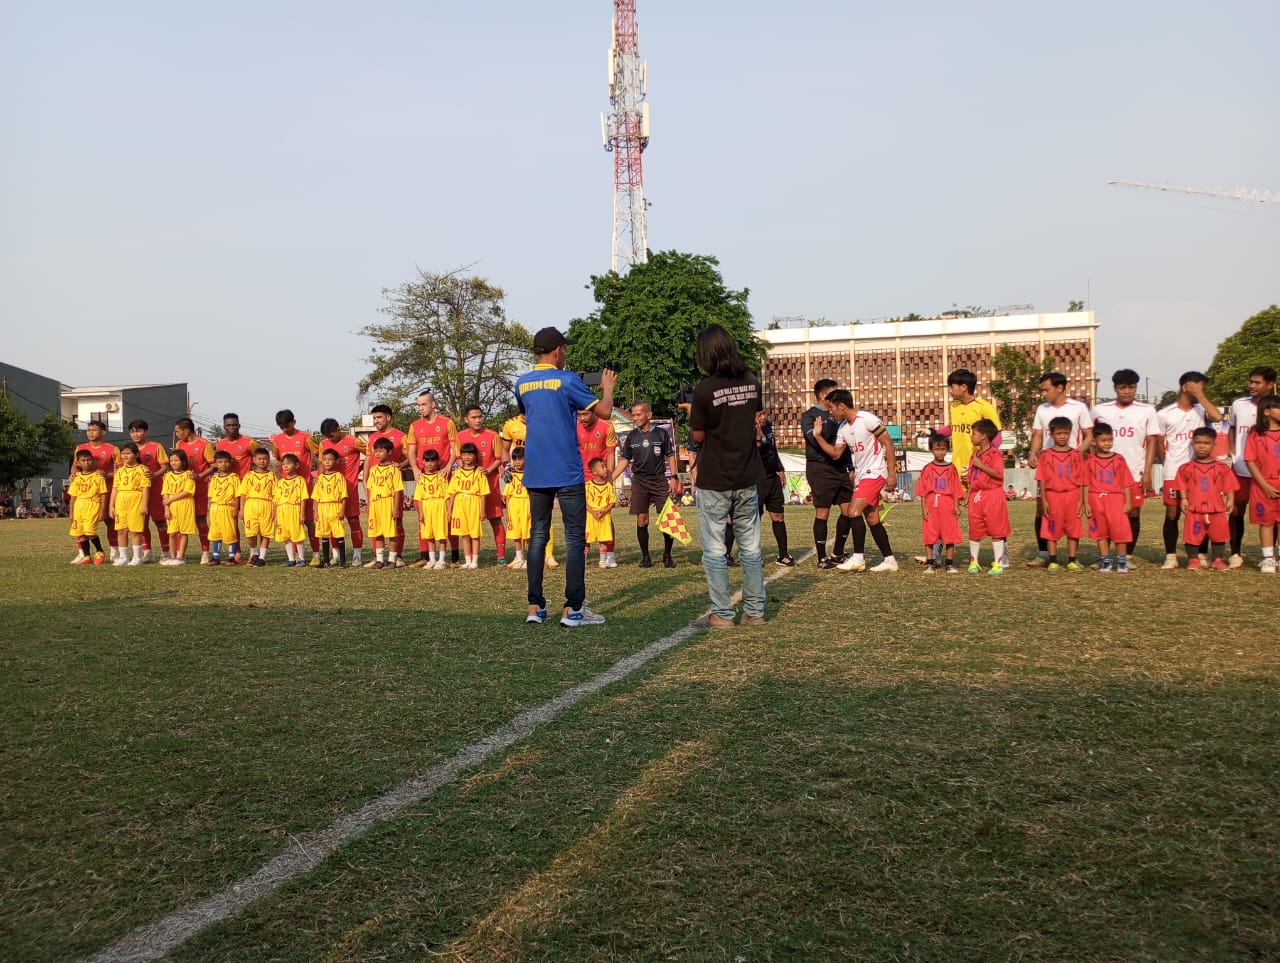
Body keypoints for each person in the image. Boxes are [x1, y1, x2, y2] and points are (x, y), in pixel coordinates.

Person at [514, 326, 616, 626]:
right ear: (558, 351)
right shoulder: (567, 379)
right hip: (567, 468)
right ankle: (573, 609)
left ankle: (535, 607)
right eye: (564, 350)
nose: (565, 354)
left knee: (537, 536)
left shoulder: (521, 384)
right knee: (574, 536)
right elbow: (606, 412)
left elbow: (527, 414)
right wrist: (607, 387)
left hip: (535, 469)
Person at [687, 324, 765, 627]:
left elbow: (699, 433)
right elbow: (751, 415)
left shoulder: (704, 389)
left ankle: (722, 614)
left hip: (715, 477)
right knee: (751, 549)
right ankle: (755, 612)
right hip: (747, 473)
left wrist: (693, 410)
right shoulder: (752, 381)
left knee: (716, 551)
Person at [812, 389, 899, 573]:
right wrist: (818, 437)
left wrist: (892, 473)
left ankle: (858, 558)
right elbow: (836, 453)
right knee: (872, 518)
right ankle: (889, 560)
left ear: (842, 406)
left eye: (832, 408)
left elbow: (888, 443)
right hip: (861, 475)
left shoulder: (867, 419)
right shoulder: (843, 428)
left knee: (853, 511)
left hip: (874, 473)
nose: (830, 412)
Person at [1091, 369, 1160, 564]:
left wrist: (1147, 472)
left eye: (1131, 387)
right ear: (1115, 388)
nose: (1127, 391)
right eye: (1122, 387)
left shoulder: (1147, 411)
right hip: (1105, 474)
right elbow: (1089, 437)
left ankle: (1126, 556)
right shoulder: (1100, 411)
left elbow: (1152, 441)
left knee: (1132, 512)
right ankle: (1104, 557)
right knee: (1105, 514)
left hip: (1134, 471)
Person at [1157, 371, 1224, 570]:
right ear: (1186, 386)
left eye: (1203, 387)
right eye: (1198, 386)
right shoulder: (1165, 413)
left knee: (1201, 512)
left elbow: (1217, 416)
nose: (1201, 389)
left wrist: (1201, 395)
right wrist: (1168, 462)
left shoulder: (1202, 410)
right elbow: (1159, 442)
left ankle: (1201, 553)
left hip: (1200, 471)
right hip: (1173, 471)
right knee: (1172, 512)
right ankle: (1170, 555)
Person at [1025, 373, 1093, 567]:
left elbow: (1088, 434)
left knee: (1072, 512)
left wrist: (1077, 454)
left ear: (1060, 388)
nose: (1044, 394)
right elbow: (1038, 434)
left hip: (1070, 469)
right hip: (1049, 465)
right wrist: (1033, 453)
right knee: (1042, 510)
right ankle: (1044, 554)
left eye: (1047, 389)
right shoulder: (1042, 409)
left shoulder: (1078, 407)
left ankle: (1072, 557)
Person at [614, 400, 681, 569]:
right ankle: (646, 557)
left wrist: (673, 477)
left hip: (659, 480)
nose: (635, 418)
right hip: (640, 482)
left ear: (648, 414)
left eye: (638, 414)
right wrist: (611, 477)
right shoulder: (631, 436)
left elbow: (671, 456)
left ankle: (667, 555)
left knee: (667, 518)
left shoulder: (661, 434)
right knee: (642, 519)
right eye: (634, 415)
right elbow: (624, 460)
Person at [1227, 366, 1277, 567]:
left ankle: (1271, 557)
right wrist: (1232, 452)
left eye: (1257, 382)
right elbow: (1231, 429)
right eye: (1251, 382)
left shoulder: (1276, 405)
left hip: (1269, 473)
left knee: (1272, 514)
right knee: (1237, 510)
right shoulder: (1239, 404)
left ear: (1270, 384)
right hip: (1241, 467)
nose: (1251, 386)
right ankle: (1235, 553)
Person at [801, 379, 853, 568]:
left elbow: (845, 443)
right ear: (824, 396)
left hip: (840, 468)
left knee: (849, 511)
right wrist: (826, 427)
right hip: (820, 468)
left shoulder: (840, 415)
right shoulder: (809, 415)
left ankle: (838, 552)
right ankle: (822, 558)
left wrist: (850, 466)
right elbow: (815, 441)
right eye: (834, 393)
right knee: (823, 512)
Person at [407, 390, 460, 564]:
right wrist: (415, 468)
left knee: (448, 515)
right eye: (418, 405)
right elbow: (412, 450)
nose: (420, 408)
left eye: (423, 404)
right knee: (423, 515)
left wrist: (448, 466)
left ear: (433, 404)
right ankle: (425, 556)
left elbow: (454, 448)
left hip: (444, 475)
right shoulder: (415, 426)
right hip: (424, 476)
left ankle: (453, 556)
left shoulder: (447, 423)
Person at [1176, 426, 1238, 570]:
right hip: (1195, 508)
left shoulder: (1222, 467)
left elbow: (1229, 485)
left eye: (1206, 443)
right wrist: (1184, 499)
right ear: (1193, 443)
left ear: (1213, 444)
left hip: (1216, 508)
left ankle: (1217, 560)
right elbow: (1182, 485)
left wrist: (1230, 499)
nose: (1201, 446)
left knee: (1219, 535)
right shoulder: (1185, 467)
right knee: (1192, 535)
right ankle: (1193, 560)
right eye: (1198, 442)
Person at [1035, 416, 1087, 570]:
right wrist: (1043, 500)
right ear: (1051, 434)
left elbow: (1082, 479)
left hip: (1072, 494)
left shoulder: (1076, 455)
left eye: (1066, 433)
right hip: (1052, 495)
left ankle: (1072, 559)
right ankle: (1053, 560)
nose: (1062, 436)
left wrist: (1082, 501)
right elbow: (1042, 479)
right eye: (1059, 433)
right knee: (1051, 528)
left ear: (1070, 433)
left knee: (1073, 528)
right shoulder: (1046, 455)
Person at [1083, 422, 1135, 573]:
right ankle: (1105, 561)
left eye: (1110, 440)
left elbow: (1126, 482)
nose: (1107, 443)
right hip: (1096, 499)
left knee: (1120, 531)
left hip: (1115, 499)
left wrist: (1128, 502)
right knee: (1101, 532)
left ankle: (1121, 561)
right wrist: (1086, 503)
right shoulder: (1090, 461)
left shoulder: (1119, 459)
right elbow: (1085, 483)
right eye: (1103, 440)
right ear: (1094, 441)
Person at [459, 405, 507, 565]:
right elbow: (458, 459)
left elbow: (499, 458)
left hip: (490, 485)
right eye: (474, 417)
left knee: (495, 519)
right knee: (466, 525)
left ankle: (501, 555)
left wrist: (487, 470)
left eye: (480, 416)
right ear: (466, 419)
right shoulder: (460, 436)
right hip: (468, 489)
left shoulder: (492, 435)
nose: (478, 420)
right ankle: (467, 557)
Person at [271, 410, 320, 562]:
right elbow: (279, 459)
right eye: (281, 427)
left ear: (294, 422)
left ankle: (316, 554)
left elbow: (319, 453)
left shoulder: (305, 437)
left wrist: (319, 475)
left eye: (287, 425)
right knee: (288, 524)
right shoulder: (277, 440)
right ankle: (294, 557)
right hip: (287, 489)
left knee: (309, 521)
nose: (284, 429)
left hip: (304, 485)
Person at [364, 404, 408, 566]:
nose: (376, 421)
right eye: (374, 418)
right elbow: (369, 458)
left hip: (391, 486)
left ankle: (397, 556)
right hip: (375, 485)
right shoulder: (372, 438)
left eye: (379, 417)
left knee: (396, 521)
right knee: (376, 524)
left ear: (388, 417)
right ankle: (379, 558)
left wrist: (401, 465)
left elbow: (410, 457)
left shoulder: (401, 436)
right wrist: (365, 478)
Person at [319, 418, 367, 566]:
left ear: (339, 430)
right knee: (332, 523)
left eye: (331, 435)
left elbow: (372, 454)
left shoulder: (353, 442)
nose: (329, 439)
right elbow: (321, 465)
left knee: (353, 521)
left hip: (349, 489)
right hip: (330, 493)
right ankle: (336, 555)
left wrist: (361, 468)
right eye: (327, 436)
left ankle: (357, 554)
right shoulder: (323, 444)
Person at [964, 419, 1010, 574]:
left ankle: (998, 563)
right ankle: (974, 562)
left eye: (974, 433)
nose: (972, 437)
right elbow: (971, 477)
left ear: (983, 436)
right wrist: (968, 493)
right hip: (976, 496)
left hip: (992, 495)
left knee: (996, 529)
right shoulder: (974, 454)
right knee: (974, 529)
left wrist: (980, 465)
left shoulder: (995, 453)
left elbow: (998, 474)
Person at [73, 419, 121, 563]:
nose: (91, 433)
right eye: (88, 430)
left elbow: (122, 470)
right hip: (84, 493)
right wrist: (73, 473)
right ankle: (83, 553)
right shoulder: (80, 447)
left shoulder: (113, 449)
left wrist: (108, 475)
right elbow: (74, 466)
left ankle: (115, 551)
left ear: (103, 432)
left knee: (109, 521)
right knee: (79, 524)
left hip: (106, 492)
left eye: (94, 430)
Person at [916, 433, 961, 574]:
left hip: (947, 505)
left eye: (943, 449)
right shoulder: (927, 468)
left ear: (947, 450)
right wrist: (923, 508)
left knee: (949, 535)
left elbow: (956, 488)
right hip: (931, 504)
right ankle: (929, 564)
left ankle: (949, 564)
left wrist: (956, 505)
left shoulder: (951, 468)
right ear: (931, 450)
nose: (940, 452)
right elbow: (922, 491)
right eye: (937, 449)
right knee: (930, 535)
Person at [1244, 393, 1280, 572]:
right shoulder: (1255, 433)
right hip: (1262, 484)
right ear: (1266, 411)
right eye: (1278, 407)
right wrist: (1264, 485)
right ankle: (1268, 559)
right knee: (1266, 522)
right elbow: (1250, 460)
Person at [173, 417, 216, 564]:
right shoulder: (179, 444)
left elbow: (213, 465)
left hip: (200, 488)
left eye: (178, 431)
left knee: (200, 520)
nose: (177, 434)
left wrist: (200, 476)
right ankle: (180, 554)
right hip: (182, 489)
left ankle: (205, 552)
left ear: (187, 431)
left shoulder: (205, 444)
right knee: (179, 521)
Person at [755, 409, 793, 566]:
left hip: (772, 478)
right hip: (755, 480)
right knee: (753, 520)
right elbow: (756, 447)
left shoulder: (768, 426)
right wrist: (757, 429)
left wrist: (780, 468)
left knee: (778, 516)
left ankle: (783, 555)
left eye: (764, 414)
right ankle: (754, 557)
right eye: (759, 415)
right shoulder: (744, 429)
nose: (763, 417)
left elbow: (773, 449)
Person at [128, 419, 168, 562]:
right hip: (137, 494)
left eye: (139, 430)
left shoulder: (156, 447)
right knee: (141, 523)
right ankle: (147, 552)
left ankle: (165, 552)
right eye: (132, 431)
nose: (136, 434)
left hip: (156, 491)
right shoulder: (129, 450)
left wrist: (155, 474)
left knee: (160, 522)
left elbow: (165, 466)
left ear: (146, 431)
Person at [110, 442, 150, 566]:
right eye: (123, 453)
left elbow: (146, 488)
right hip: (121, 500)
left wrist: (144, 504)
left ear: (136, 454)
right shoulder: (120, 471)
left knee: (135, 530)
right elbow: (115, 489)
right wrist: (111, 505)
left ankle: (137, 557)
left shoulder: (143, 469)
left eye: (128, 453)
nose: (125, 456)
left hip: (136, 498)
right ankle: (123, 557)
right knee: (121, 530)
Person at [447, 442, 487, 569]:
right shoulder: (457, 473)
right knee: (464, 533)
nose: (467, 457)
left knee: (474, 534)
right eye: (464, 454)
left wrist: (482, 510)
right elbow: (452, 492)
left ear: (475, 455)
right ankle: (467, 560)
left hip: (474, 502)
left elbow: (483, 493)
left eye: (470, 454)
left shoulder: (479, 472)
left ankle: (475, 560)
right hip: (460, 504)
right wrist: (449, 509)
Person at [67, 449, 108, 565]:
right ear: (78, 463)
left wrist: (102, 510)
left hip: (93, 504)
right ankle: (86, 556)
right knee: (80, 533)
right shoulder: (77, 477)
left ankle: (100, 551)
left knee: (90, 531)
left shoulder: (98, 476)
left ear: (93, 461)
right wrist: (71, 513)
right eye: (83, 460)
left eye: (89, 460)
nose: (86, 462)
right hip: (79, 505)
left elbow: (103, 493)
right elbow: (73, 496)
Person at [412, 449, 451, 569]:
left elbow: (447, 495)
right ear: (423, 462)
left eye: (432, 461)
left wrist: (449, 510)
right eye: (427, 461)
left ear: (437, 462)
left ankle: (442, 560)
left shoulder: (441, 477)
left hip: (439, 505)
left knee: (441, 534)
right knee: (429, 535)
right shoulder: (421, 478)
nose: (429, 463)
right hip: (426, 506)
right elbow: (418, 498)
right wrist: (420, 513)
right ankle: (432, 560)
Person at [238, 447, 277, 567]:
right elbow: (243, 494)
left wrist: (275, 513)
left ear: (269, 460)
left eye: (265, 459)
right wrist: (241, 509)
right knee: (250, 533)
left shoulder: (272, 476)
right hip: (251, 506)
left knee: (265, 533)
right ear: (254, 460)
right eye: (259, 459)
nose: (262, 461)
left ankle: (262, 557)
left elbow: (276, 496)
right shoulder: (249, 475)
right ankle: (254, 553)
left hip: (267, 505)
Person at [312, 448, 350, 568]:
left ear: (336, 461)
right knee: (324, 534)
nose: (327, 462)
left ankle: (342, 561)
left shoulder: (339, 476)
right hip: (322, 508)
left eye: (330, 460)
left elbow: (344, 495)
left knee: (339, 533)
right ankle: (326, 561)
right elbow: (316, 496)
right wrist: (315, 511)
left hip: (335, 506)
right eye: (325, 460)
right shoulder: (320, 478)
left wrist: (342, 510)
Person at [160, 450, 197, 565]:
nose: (173, 463)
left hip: (185, 504)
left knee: (183, 531)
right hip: (171, 505)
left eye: (176, 460)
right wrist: (166, 508)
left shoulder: (188, 475)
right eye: (171, 461)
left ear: (183, 461)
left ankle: (180, 557)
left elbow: (187, 491)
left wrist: (170, 500)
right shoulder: (167, 475)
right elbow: (165, 492)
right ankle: (172, 557)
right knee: (172, 532)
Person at [274, 453, 310, 567]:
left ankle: (302, 559)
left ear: (296, 465)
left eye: (288, 464)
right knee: (286, 536)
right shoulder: (280, 482)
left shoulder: (300, 480)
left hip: (294, 509)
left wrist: (302, 514)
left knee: (297, 535)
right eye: (283, 464)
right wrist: (275, 516)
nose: (285, 466)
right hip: (282, 510)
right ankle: (291, 559)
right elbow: (276, 500)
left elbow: (303, 498)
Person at [206, 451, 240, 564]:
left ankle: (232, 558)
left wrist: (236, 509)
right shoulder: (214, 478)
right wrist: (209, 507)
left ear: (230, 463)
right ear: (215, 464)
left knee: (230, 532)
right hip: (215, 508)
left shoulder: (234, 477)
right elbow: (211, 496)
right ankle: (216, 557)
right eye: (220, 462)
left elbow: (237, 495)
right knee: (215, 532)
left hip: (227, 507)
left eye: (226, 461)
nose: (223, 464)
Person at [586, 456, 617, 568]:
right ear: (594, 471)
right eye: (602, 467)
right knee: (586, 540)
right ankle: (583, 560)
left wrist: (604, 511)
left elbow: (612, 502)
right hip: (591, 517)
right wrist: (592, 511)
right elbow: (584, 502)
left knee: (603, 539)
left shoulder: (608, 486)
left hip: (604, 517)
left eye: (605, 466)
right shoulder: (588, 486)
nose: (605, 469)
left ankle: (603, 561)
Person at [503, 447, 531, 569]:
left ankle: (530, 560)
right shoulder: (510, 475)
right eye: (515, 459)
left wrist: (532, 509)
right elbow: (508, 495)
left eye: (520, 459)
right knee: (517, 534)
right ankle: (519, 558)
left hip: (526, 504)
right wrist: (508, 512)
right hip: (514, 505)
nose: (517, 462)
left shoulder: (530, 474)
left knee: (528, 534)